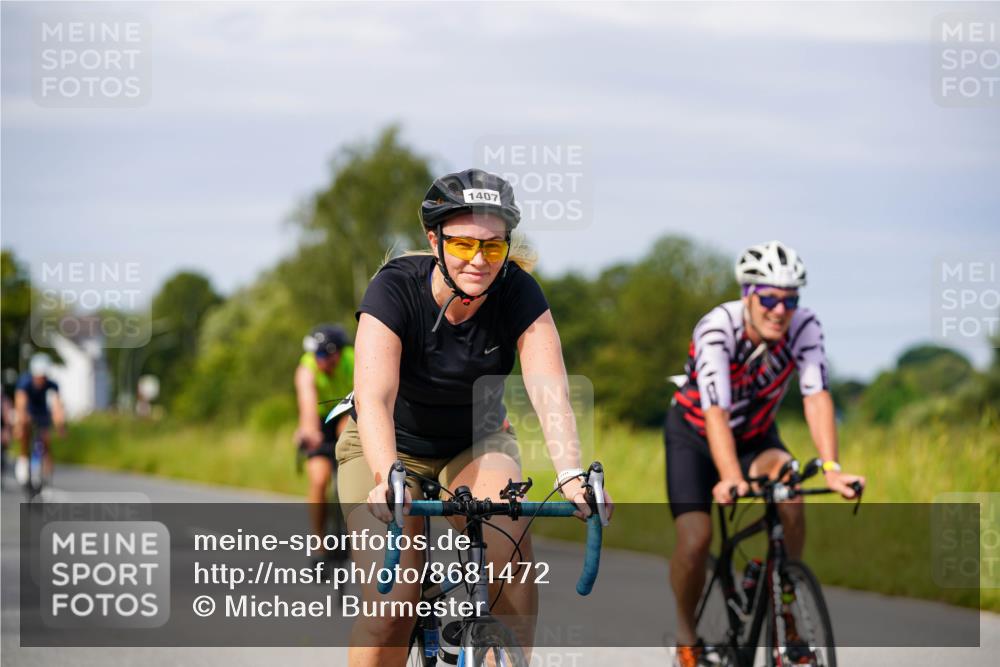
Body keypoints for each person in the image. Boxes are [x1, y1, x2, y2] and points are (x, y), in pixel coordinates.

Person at [336, 167, 613, 666]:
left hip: (475, 444)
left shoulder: (518, 291)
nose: (478, 261)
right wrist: (385, 478)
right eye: (463, 245)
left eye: (492, 247)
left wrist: (573, 475)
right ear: (434, 239)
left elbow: (550, 392)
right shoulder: (393, 290)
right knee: (392, 606)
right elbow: (373, 397)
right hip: (386, 445)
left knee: (509, 545)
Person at [666, 241, 865, 667]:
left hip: (756, 437)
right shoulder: (718, 329)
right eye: (770, 298)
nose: (781, 310)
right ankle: (686, 636)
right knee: (696, 539)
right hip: (695, 437)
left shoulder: (805, 327)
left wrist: (831, 469)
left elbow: (817, 397)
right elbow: (715, 410)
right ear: (748, 296)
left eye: (790, 299)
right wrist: (729, 475)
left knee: (790, 491)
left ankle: (781, 598)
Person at [295, 324, 354, 568]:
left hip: (347, 413)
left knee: (346, 430)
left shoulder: (352, 359)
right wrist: (309, 430)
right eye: (315, 355)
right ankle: (318, 542)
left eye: (322, 355)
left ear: (337, 354)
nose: (318, 360)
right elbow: (307, 401)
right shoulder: (307, 367)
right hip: (319, 422)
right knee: (319, 479)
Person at [13, 353, 66, 486]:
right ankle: (23, 459)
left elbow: (57, 406)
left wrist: (60, 425)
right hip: (28, 412)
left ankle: (46, 473)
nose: (41, 380)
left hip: (42, 414)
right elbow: (20, 404)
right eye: (39, 377)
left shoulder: (52, 385)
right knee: (25, 430)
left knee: (46, 439)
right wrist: (20, 423)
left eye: (43, 377)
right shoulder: (25, 382)